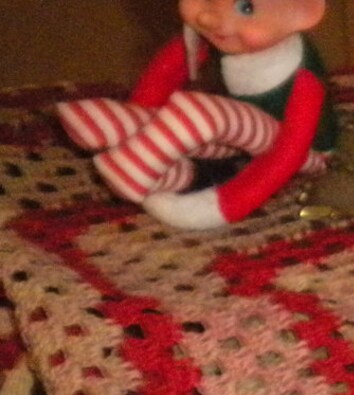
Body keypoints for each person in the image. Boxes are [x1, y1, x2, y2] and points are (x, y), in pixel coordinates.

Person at [57, 0, 336, 230]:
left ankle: (130, 172)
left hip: (305, 151)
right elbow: (161, 78)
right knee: (193, 128)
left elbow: (291, 152)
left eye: (246, 8)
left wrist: (221, 206)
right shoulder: (209, 39)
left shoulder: (303, 77)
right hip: (242, 143)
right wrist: (138, 120)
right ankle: (162, 167)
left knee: (204, 116)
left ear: (303, 11)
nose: (209, 17)